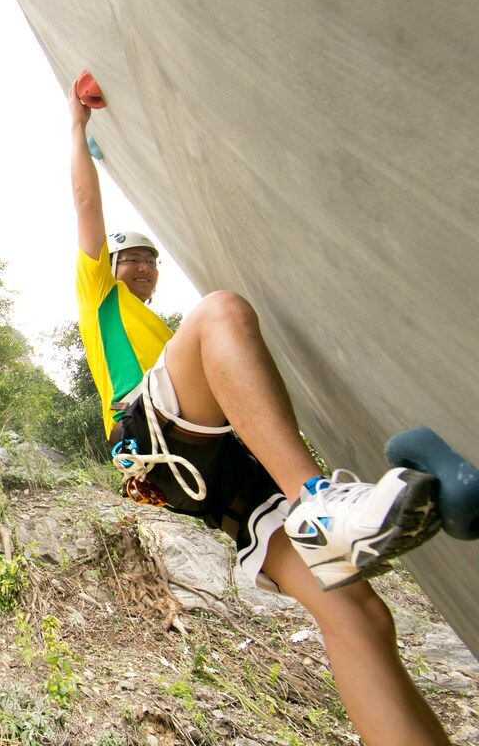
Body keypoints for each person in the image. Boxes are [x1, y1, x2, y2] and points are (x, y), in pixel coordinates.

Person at [67, 79, 451, 745]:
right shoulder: (99, 298)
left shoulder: (163, 332)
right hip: (147, 438)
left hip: (225, 478)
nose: (139, 269)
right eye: (130, 259)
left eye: (149, 264)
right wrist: (77, 131)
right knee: (221, 313)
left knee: (358, 615)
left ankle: (317, 512)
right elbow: (84, 205)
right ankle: (320, 503)